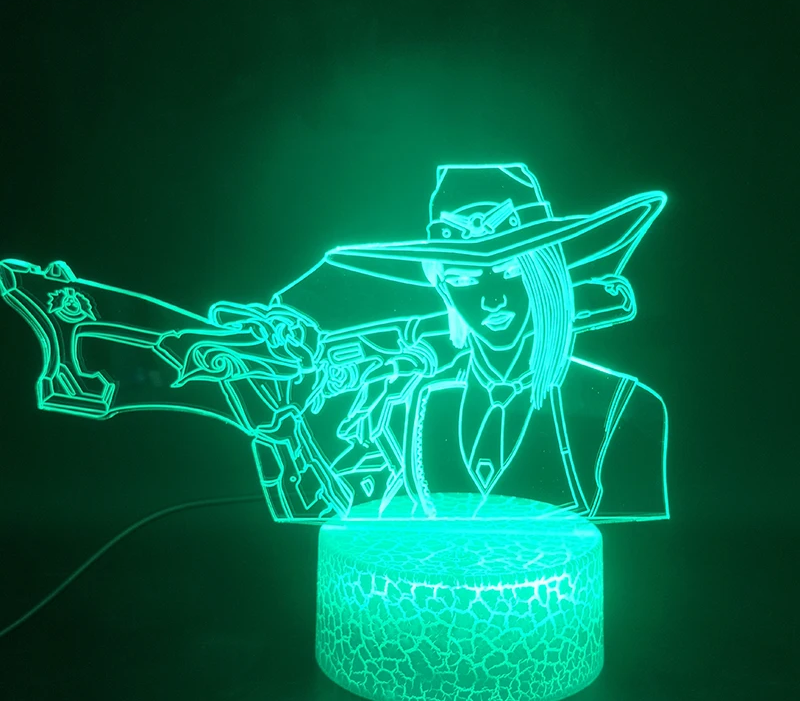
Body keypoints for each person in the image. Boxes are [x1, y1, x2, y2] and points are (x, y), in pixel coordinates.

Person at [0, 163, 668, 524]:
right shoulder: (422, 405)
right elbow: (358, 529)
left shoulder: (623, 409)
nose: (489, 298)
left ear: (547, 274)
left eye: (511, 272)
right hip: (435, 646)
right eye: (464, 278)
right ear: (441, 286)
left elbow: (637, 561)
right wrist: (279, 425)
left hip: (547, 639)